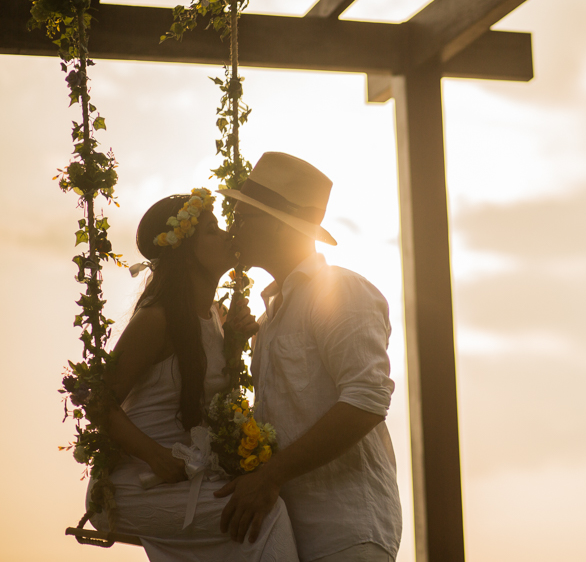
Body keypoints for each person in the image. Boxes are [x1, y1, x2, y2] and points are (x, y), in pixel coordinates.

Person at [87, 190, 298, 561]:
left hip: (187, 480)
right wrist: (155, 456)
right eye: (213, 231)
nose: (227, 235)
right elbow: (98, 401)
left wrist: (233, 346)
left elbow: (208, 403)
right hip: (132, 486)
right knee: (265, 516)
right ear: (186, 251)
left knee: (257, 506)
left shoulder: (214, 317)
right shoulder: (156, 319)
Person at [214, 152, 402, 562]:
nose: (235, 228)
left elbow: (367, 401)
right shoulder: (271, 317)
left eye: (245, 217)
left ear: (281, 228)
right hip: (293, 533)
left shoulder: (342, 292)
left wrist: (271, 475)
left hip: (346, 530)